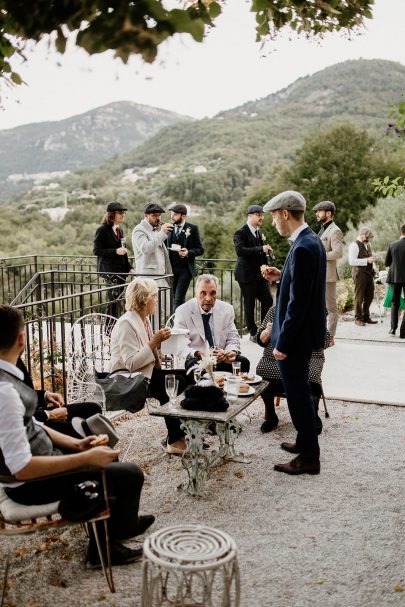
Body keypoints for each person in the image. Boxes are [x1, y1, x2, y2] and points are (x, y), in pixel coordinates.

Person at [0, 305, 152, 569]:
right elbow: (22, 468)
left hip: (39, 462)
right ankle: (114, 538)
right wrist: (85, 459)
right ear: (21, 339)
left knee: (109, 462)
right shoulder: (6, 394)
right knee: (130, 474)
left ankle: (117, 528)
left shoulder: (6, 382)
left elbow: (30, 423)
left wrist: (76, 444)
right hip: (29, 485)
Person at [262, 190, 326, 475]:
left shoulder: (302, 246)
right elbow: (303, 285)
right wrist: (281, 275)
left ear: (285, 213)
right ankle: (303, 442)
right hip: (305, 334)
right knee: (298, 390)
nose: (273, 222)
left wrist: (283, 342)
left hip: (295, 338)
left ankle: (309, 458)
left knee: (297, 394)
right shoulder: (311, 240)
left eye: (274, 216)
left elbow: (297, 304)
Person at [109, 278, 187, 455]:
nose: (156, 300)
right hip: (126, 381)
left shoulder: (144, 319)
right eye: (154, 296)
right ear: (145, 299)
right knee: (174, 382)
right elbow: (130, 364)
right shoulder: (126, 324)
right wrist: (154, 342)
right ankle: (174, 439)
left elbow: (148, 354)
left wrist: (159, 347)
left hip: (145, 374)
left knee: (187, 375)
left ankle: (185, 431)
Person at [256, 306, 330, 434]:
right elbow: (260, 340)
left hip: (309, 357)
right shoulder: (274, 311)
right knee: (263, 369)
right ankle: (271, 417)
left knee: (311, 375)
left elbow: (326, 341)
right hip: (277, 357)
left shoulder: (314, 309)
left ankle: (312, 416)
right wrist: (268, 332)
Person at [173, 274, 250, 374]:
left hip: (221, 358)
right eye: (203, 293)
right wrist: (198, 354)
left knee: (243, 362)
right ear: (196, 293)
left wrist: (230, 352)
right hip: (198, 359)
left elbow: (233, 337)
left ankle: (232, 389)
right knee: (194, 368)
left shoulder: (227, 309)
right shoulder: (183, 311)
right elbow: (179, 344)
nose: (208, 298)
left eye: (212, 293)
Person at [17, 358, 102, 439]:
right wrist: (49, 414)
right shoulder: (6, 375)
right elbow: (17, 416)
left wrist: (45, 395)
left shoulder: (14, 360)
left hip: (37, 412)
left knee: (93, 409)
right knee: (80, 429)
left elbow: (24, 393)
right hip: (31, 421)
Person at [233, 205, 273, 342]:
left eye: (262, 215)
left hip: (260, 274)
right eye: (258, 215)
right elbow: (240, 251)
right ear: (250, 215)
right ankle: (253, 333)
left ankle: (264, 330)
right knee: (249, 304)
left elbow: (260, 253)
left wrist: (266, 266)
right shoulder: (240, 233)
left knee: (268, 299)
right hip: (245, 274)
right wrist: (260, 248)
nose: (261, 217)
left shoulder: (259, 231)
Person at [132, 202, 173, 324]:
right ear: (146, 215)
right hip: (148, 279)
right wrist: (162, 233)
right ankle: (153, 339)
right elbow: (145, 249)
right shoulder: (139, 230)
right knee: (153, 312)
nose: (158, 218)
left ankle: (159, 337)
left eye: (159, 215)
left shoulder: (155, 231)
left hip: (161, 278)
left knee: (165, 311)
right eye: (155, 215)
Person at [93, 201, 135, 319]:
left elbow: (123, 251)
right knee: (112, 302)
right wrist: (115, 251)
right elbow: (97, 251)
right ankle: (109, 330)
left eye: (124, 213)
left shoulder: (119, 230)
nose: (123, 215)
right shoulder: (102, 230)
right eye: (120, 212)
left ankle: (114, 327)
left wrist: (129, 267)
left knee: (118, 302)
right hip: (110, 272)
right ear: (112, 214)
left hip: (121, 272)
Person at [313, 201, 343, 341]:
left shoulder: (335, 230)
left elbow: (338, 253)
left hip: (328, 276)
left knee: (331, 308)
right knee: (318, 307)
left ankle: (330, 337)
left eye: (319, 211)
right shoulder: (323, 229)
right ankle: (319, 334)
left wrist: (319, 254)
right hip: (319, 275)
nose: (316, 214)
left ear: (329, 213)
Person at [166, 203, 204, 310]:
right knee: (172, 298)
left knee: (178, 298)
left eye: (175, 214)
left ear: (183, 216)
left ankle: (176, 324)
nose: (172, 216)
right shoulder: (168, 228)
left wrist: (188, 252)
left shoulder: (192, 228)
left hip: (185, 269)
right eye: (172, 214)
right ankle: (176, 321)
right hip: (171, 269)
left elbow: (200, 249)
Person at [348, 227, 377, 326]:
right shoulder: (354, 245)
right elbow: (352, 261)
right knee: (359, 297)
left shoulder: (368, 244)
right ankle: (358, 318)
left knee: (369, 296)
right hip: (359, 273)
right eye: (367, 237)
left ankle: (366, 317)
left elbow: (370, 257)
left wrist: (374, 266)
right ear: (362, 235)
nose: (368, 239)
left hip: (369, 273)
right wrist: (366, 261)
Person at [385, 224, 405, 338]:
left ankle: (393, 329)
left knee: (395, 302)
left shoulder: (392, 245)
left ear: (401, 232)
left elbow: (387, 263)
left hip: (395, 277)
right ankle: (403, 332)